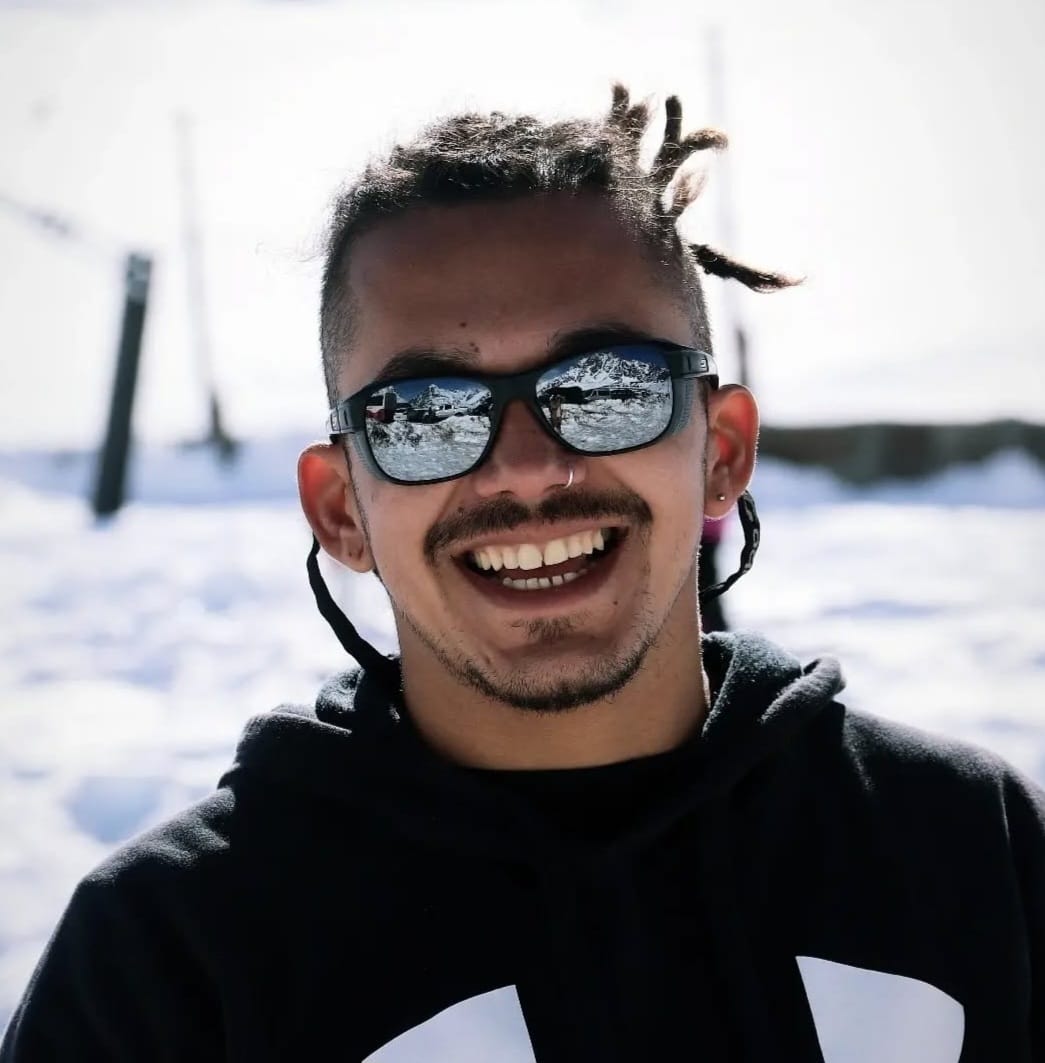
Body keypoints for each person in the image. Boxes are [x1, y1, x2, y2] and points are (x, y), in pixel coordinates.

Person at [2, 86, 1043, 1063]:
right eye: (424, 414)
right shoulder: (169, 961)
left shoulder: (967, 850)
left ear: (721, 451)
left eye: (607, 386)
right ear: (340, 508)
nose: (528, 468)